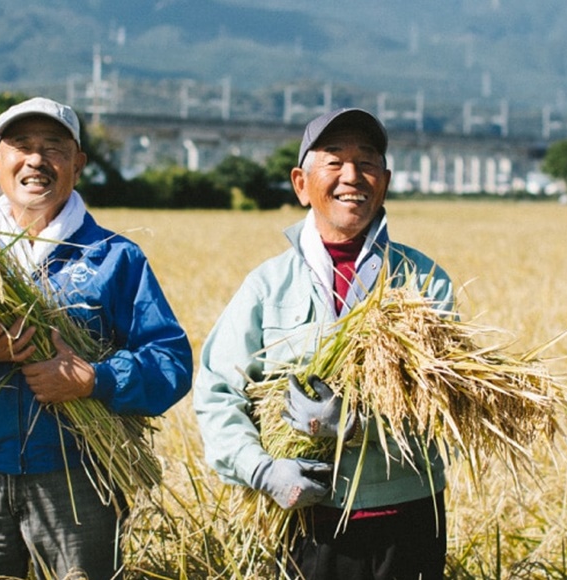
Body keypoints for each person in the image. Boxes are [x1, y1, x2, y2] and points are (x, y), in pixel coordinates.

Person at [0, 96, 192, 580]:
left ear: (77, 164)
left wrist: (92, 380)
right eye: (22, 146)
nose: (36, 160)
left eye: (53, 147)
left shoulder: (113, 258)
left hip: (77, 481)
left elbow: (171, 363)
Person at [193, 108, 452, 579]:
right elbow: (216, 392)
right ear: (301, 183)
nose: (352, 176)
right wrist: (261, 471)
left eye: (367, 161)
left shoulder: (424, 283)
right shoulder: (268, 286)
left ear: (385, 180)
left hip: (408, 519)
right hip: (304, 521)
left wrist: (356, 424)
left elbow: (448, 405)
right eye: (334, 162)